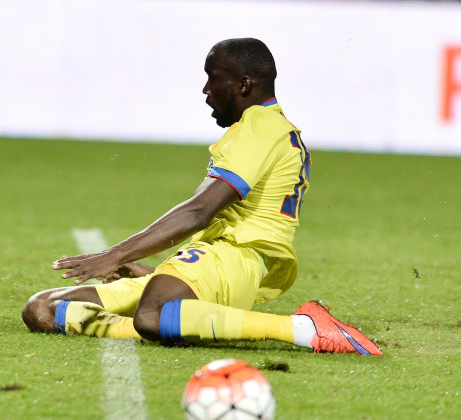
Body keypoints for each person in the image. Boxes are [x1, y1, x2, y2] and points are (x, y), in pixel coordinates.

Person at [22, 38, 381, 355]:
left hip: (235, 259)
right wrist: (157, 270)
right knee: (42, 308)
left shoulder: (261, 126)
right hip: (209, 261)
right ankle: (181, 318)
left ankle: (299, 328)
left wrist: (115, 254)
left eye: (214, 77)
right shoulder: (259, 129)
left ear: (243, 84)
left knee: (154, 313)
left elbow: (200, 210)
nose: (206, 89)